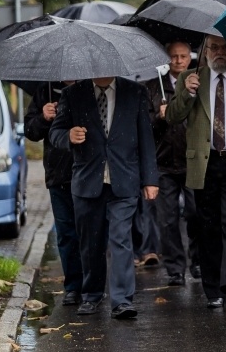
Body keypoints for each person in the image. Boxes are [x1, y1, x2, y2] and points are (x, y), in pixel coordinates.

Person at [50, 76, 159, 319]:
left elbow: (145, 137)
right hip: (88, 181)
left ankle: (122, 300)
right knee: (91, 242)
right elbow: (54, 133)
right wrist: (68, 136)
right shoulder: (73, 94)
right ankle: (91, 295)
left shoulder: (135, 92)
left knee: (121, 238)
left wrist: (150, 179)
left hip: (125, 178)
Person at [165, 33, 226, 309]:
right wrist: (187, 93)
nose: (220, 53)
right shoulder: (190, 78)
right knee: (207, 227)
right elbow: (173, 116)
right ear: (204, 51)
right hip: (204, 163)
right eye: (214, 47)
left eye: (225, 48)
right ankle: (212, 288)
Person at [144, 41, 201, 286]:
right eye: (174, 56)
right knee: (167, 219)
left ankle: (197, 261)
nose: (178, 60)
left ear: (190, 57)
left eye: (183, 56)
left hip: (191, 159)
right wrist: (159, 116)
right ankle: (175, 267)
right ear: (167, 59)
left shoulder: (197, 82)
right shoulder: (154, 87)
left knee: (195, 214)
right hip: (164, 161)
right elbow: (145, 125)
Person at [24, 81, 82, 307]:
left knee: (91, 232)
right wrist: (42, 117)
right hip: (59, 174)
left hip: (90, 173)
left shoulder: (92, 88)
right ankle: (73, 286)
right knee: (67, 233)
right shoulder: (45, 90)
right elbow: (30, 132)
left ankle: (93, 285)